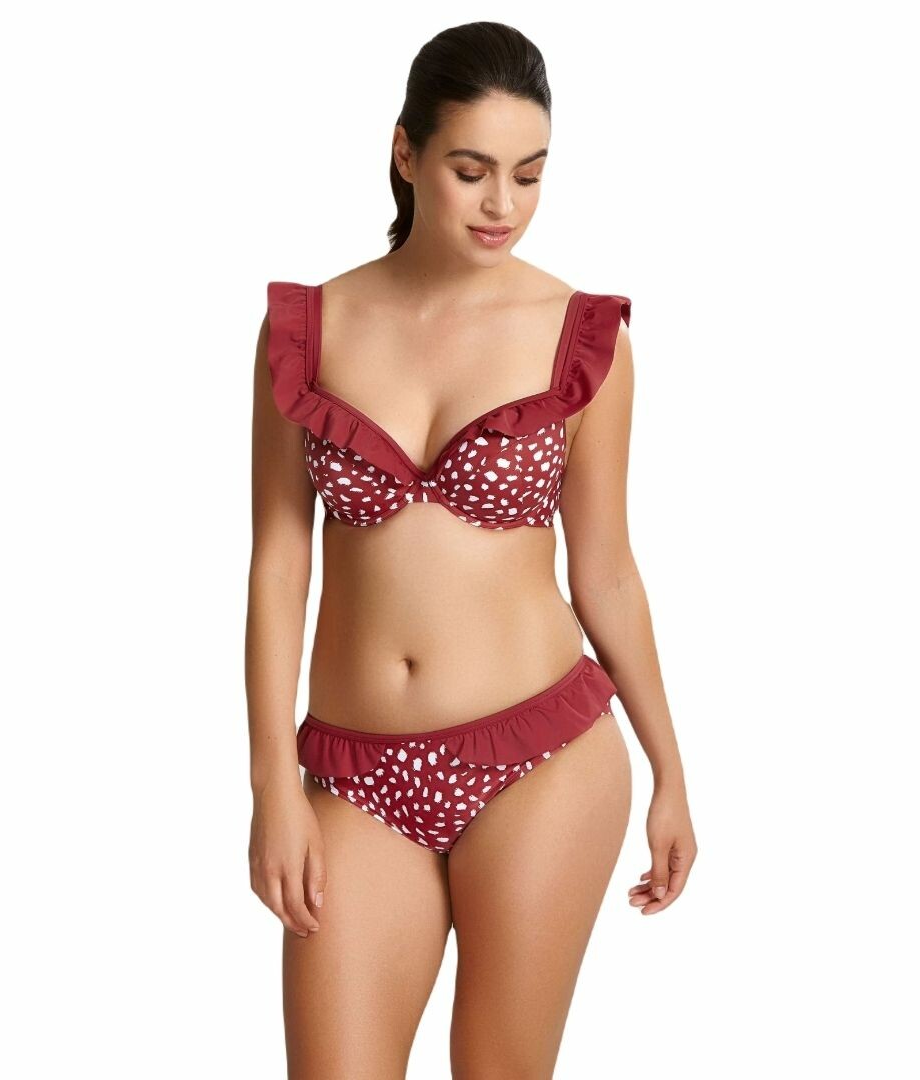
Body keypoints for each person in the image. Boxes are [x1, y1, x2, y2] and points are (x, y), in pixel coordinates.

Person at [245, 20, 696, 1078]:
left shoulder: (581, 336)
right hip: (357, 773)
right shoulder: (307, 329)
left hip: (542, 758)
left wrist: (671, 768)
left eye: (529, 175)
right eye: (472, 170)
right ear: (405, 154)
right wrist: (272, 785)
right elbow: (277, 567)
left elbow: (607, 569)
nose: (504, 205)